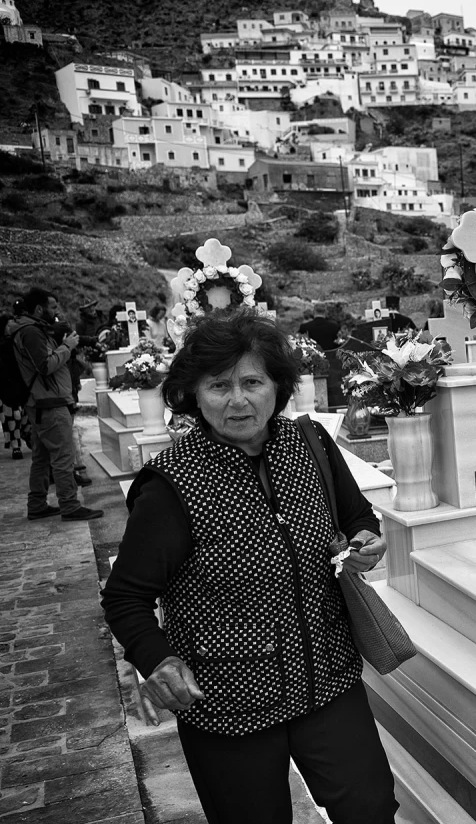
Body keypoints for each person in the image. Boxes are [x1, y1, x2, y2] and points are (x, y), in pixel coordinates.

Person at [101, 310, 397, 823]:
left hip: (327, 678)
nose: (238, 400)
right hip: (228, 701)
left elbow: (356, 515)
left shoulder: (310, 445)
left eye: (252, 382)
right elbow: (125, 597)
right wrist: (158, 660)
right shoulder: (173, 484)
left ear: (277, 386)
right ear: (193, 393)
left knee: (370, 809)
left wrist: (365, 540)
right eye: (219, 385)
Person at [9, 288, 102, 521]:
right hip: (49, 403)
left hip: (42, 402)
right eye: (52, 307)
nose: (56, 311)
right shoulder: (31, 332)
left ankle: (37, 504)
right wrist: (67, 346)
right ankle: (70, 506)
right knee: (63, 457)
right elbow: (45, 366)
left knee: (41, 458)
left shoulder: (31, 328)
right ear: (39, 308)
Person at [0, 306, 32, 460]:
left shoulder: (17, 340)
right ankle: (15, 446)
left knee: (24, 414)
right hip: (4, 385)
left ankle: (28, 437)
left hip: (20, 383)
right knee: (11, 416)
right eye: (9, 325)